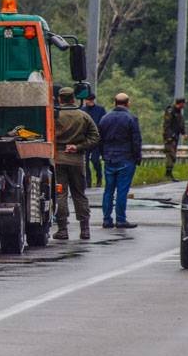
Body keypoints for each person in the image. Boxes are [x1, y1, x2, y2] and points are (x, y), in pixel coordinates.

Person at [53, 86, 101, 241]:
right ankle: (85, 229)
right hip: (77, 160)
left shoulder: (54, 116)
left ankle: (62, 229)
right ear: (73, 98)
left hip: (58, 158)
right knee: (79, 194)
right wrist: (78, 146)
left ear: (60, 99)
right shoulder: (83, 116)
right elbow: (95, 137)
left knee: (61, 194)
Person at [98, 92, 142, 230]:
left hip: (109, 158)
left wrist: (103, 155)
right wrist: (137, 157)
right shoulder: (131, 118)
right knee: (122, 191)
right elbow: (136, 140)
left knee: (108, 190)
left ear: (114, 102)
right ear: (128, 103)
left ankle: (106, 219)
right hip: (126, 158)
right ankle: (121, 219)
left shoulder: (105, 118)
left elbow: (100, 139)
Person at [82, 95, 106, 187]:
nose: (89, 101)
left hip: (96, 140)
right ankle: (88, 181)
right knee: (85, 162)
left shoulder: (100, 110)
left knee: (95, 160)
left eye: (90, 100)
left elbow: (103, 123)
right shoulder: (82, 110)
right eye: (88, 100)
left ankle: (99, 177)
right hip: (85, 139)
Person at [161, 97, 186, 181]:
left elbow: (180, 124)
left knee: (173, 156)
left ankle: (169, 173)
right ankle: (168, 173)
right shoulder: (171, 111)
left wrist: (183, 132)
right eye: (184, 103)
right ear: (181, 103)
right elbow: (167, 124)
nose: (184, 105)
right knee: (171, 155)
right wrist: (168, 137)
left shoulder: (178, 112)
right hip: (170, 137)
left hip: (175, 137)